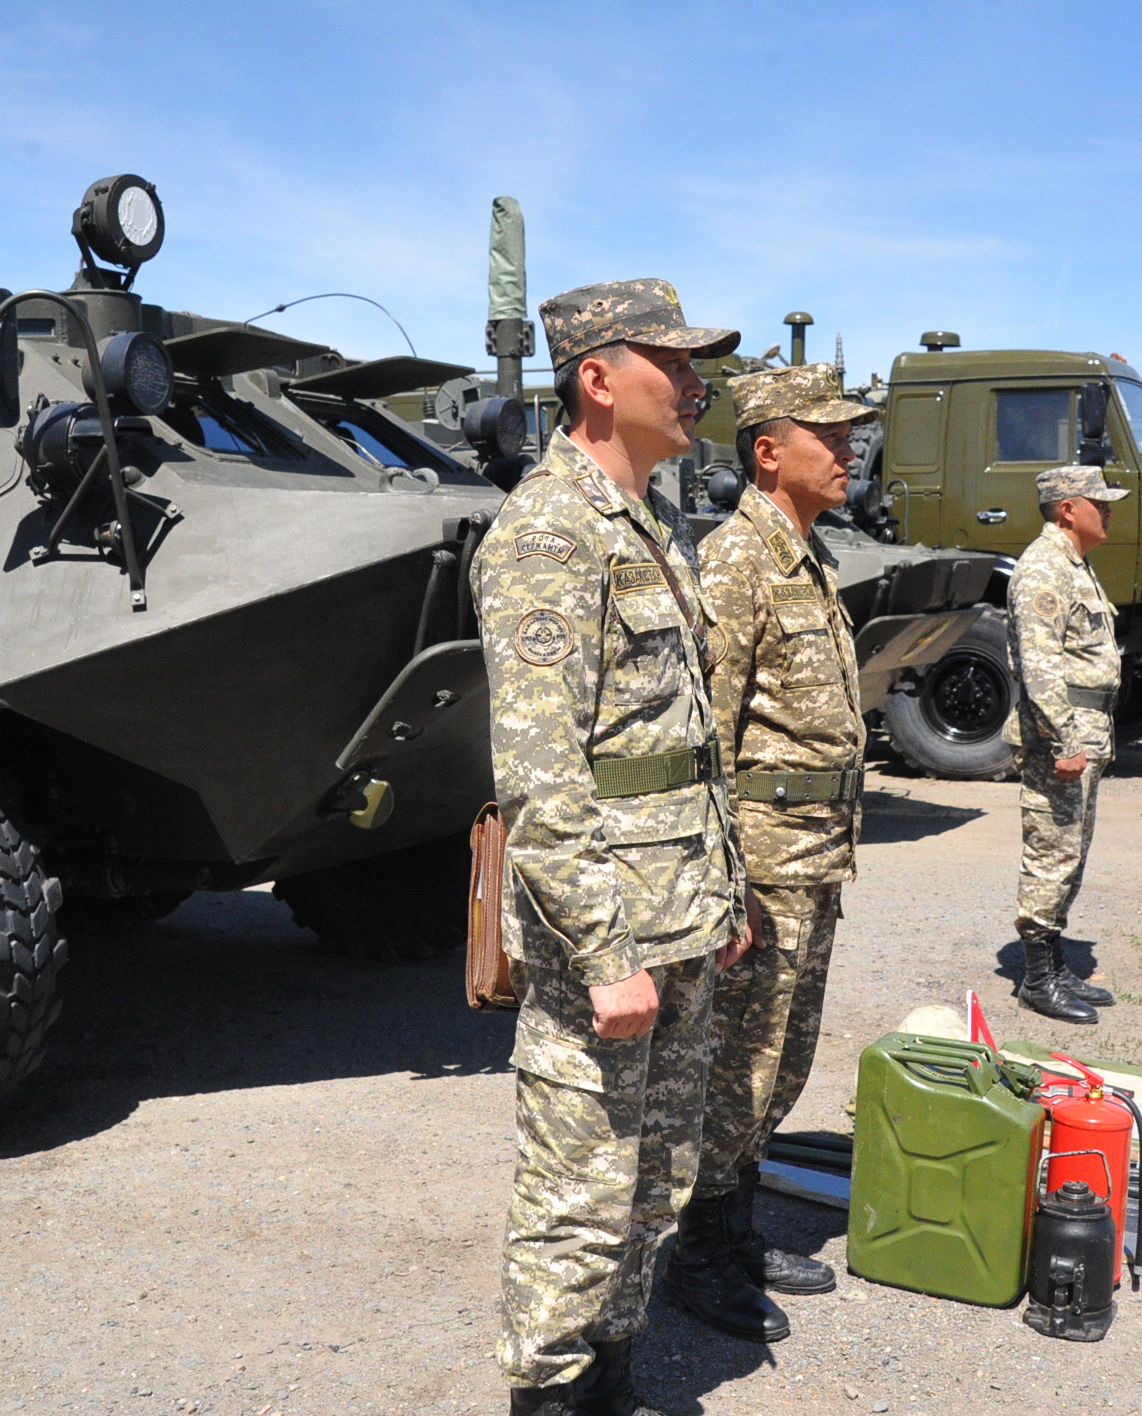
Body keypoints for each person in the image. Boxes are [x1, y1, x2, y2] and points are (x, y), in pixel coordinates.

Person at [474, 278, 755, 1416]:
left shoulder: (651, 523)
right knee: (579, 1197)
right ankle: (547, 1395)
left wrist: (722, 896)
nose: (697, 386)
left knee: (657, 1181)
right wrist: (600, 948)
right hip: (612, 930)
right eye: (671, 364)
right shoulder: (549, 531)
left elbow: (683, 741)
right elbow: (540, 776)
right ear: (597, 378)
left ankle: (612, 1381)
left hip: (678, 912)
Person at [686, 364, 874, 1342]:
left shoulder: (810, 555)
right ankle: (700, 1253)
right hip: (760, 865)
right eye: (829, 436)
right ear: (768, 450)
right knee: (737, 1068)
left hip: (812, 859)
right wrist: (720, 887)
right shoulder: (736, 560)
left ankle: (739, 1229)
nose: (848, 452)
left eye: (849, 437)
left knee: (782, 1062)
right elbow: (705, 742)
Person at [1005, 464, 1128, 1026]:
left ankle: (1054, 965)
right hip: (1063, 732)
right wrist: (1066, 739)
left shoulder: (1076, 565)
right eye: (1098, 503)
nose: (1109, 511)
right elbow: (1042, 666)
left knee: (1072, 850)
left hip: (1085, 727)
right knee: (1052, 853)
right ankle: (1036, 979)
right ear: (1066, 509)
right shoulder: (1044, 568)